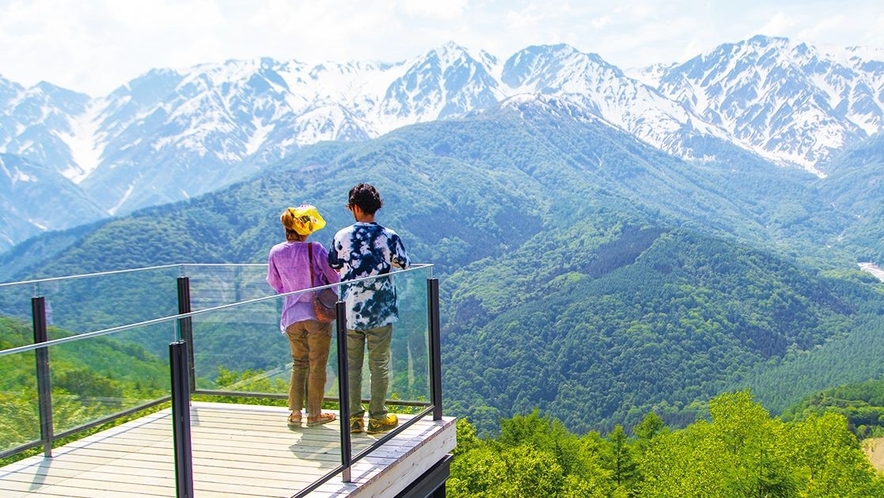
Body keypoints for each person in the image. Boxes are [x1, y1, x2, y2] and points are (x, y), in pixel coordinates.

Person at [328, 183, 410, 434]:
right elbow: (404, 264)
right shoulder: (389, 236)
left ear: (355, 207)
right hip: (381, 311)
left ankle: (353, 418)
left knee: (351, 365)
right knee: (379, 365)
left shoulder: (342, 236)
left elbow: (333, 264)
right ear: (375, 207)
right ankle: (378, 416)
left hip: (350, 311)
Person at [267, 205, 340, 428]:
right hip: (316, 315)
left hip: (291, 316)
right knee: (317, 364)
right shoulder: (315, 249)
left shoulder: (275, 252)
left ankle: (295, 412)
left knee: (299, 363)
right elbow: (334, 278)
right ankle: (315, 414)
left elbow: (274, 282)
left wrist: (292, 290)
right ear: (304, 228)